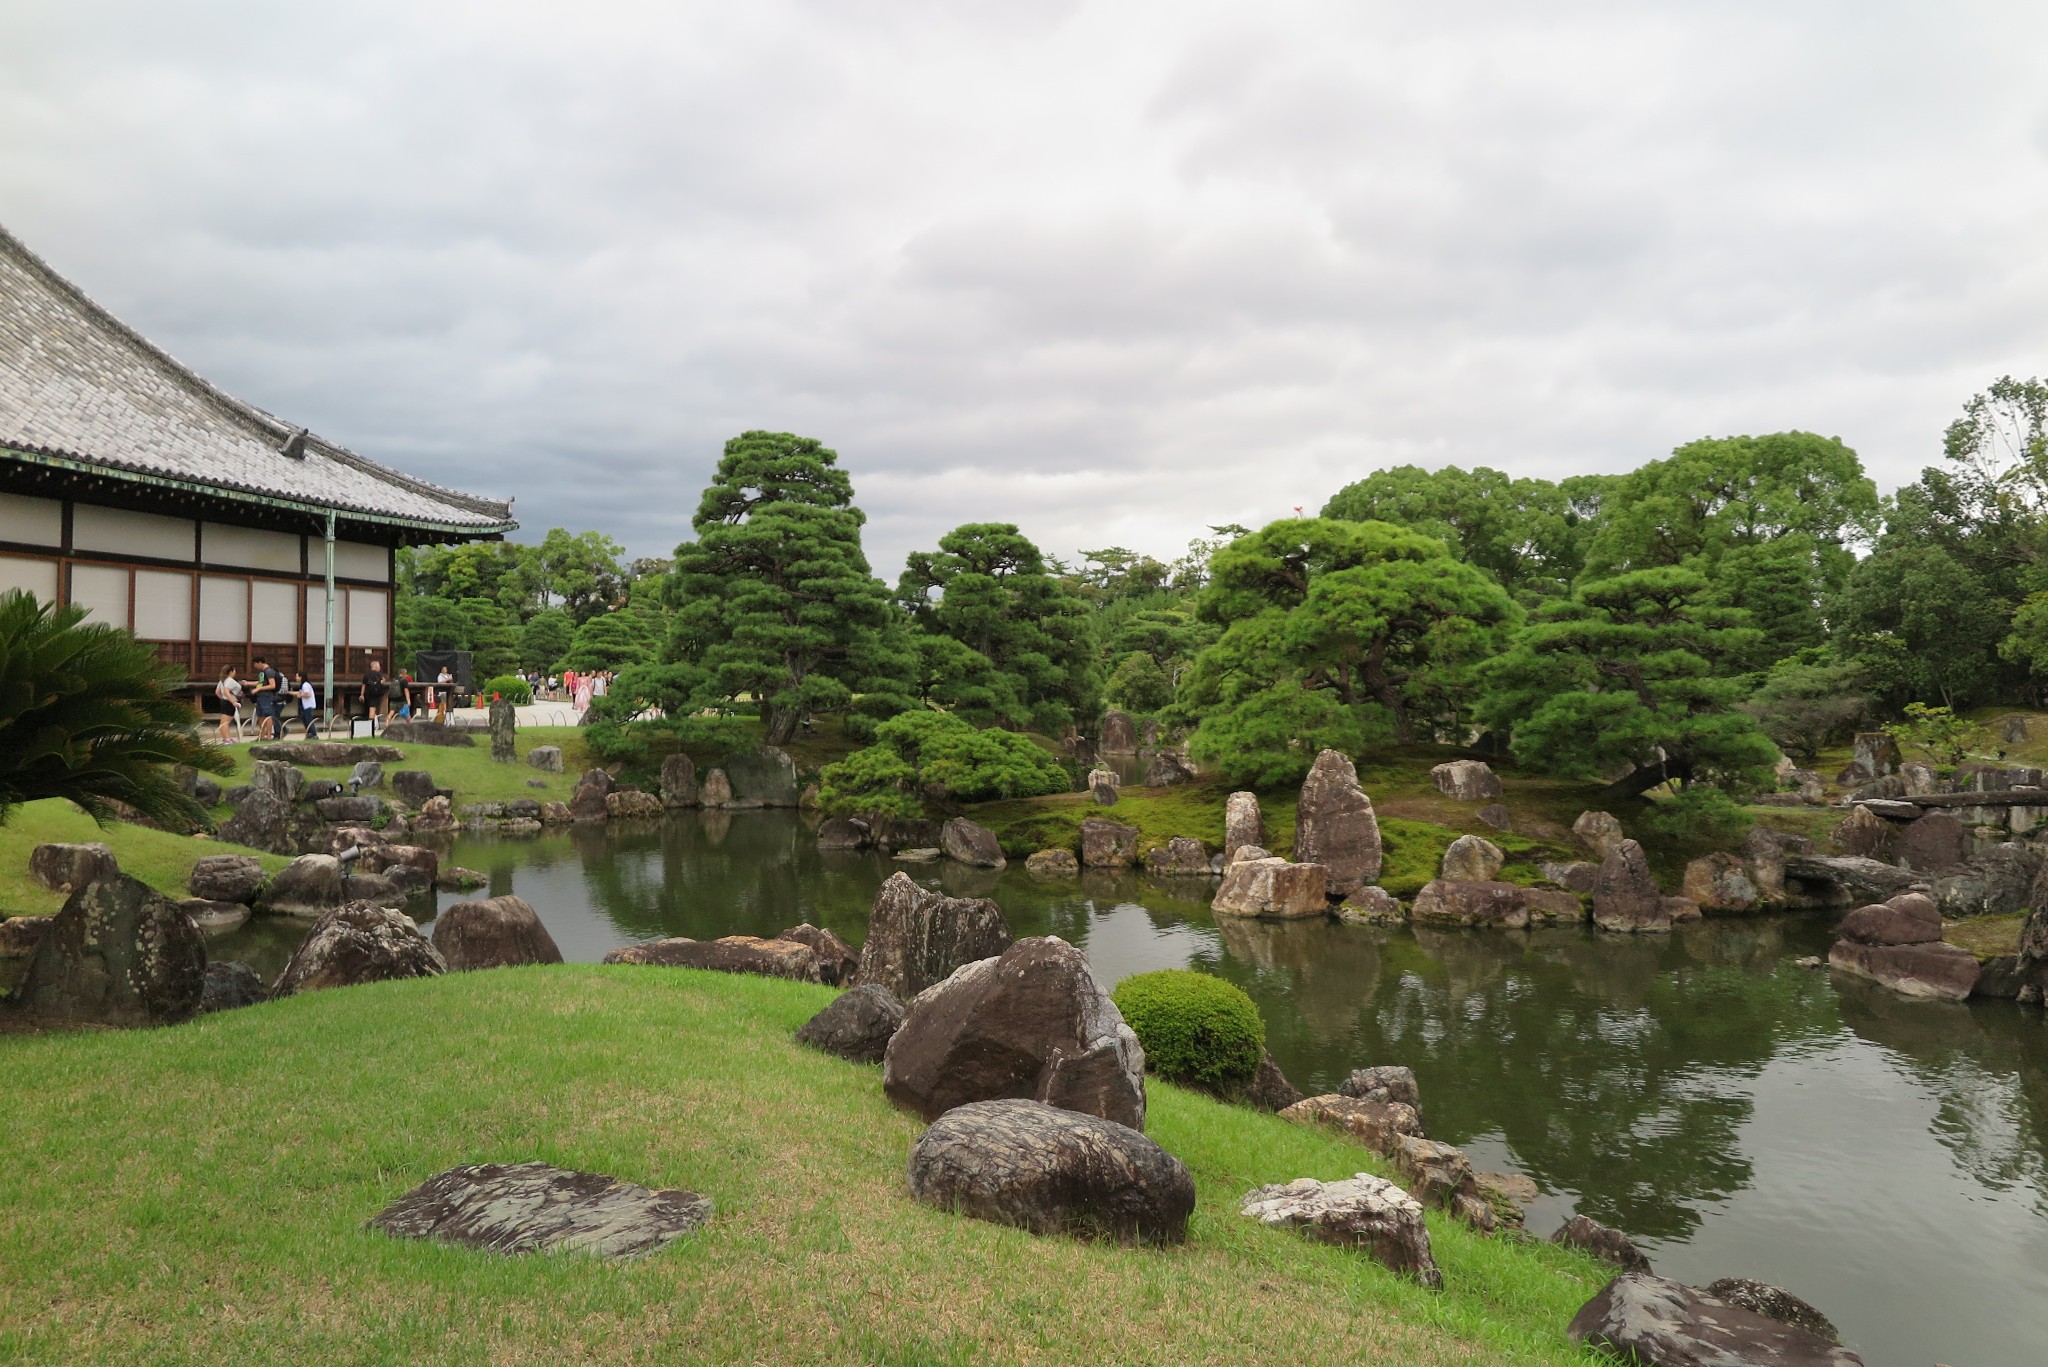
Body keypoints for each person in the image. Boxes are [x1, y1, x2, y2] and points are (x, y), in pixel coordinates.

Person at [250, 654, 283, 740]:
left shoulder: (269, 671)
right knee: (260, 716)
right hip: (260, 696)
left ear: (260, 662)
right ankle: (261, 736)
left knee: (268, 716)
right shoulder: (262, 672)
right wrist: (248, 683)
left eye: (255, 664)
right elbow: (260, 683)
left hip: (267, 696)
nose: (255, 666)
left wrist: (258, 689)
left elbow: (272, 685)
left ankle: (268, 736)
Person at [212, 666, 244, 743]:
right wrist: (233, 702)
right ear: (231, 672)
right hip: (229, 702)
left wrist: (222, 698)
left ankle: (226, 737)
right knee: (226, 722)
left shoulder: (222, 681)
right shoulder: (230, 681)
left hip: (224, 701)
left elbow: (217, 692)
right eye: (234, 671)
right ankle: (227, 738)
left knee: (223, 722)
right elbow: (227, 691)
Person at [361, 657, 388, 726]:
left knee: (370, 708)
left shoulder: (366, 674)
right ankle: (371, 725)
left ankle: (373, 723)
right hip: (375, 694)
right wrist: (382, 681)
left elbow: (363, 684)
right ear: (375, 666)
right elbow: (380, 682)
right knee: (372, 709)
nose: (379, 668)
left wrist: (362, 694)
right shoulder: (378, 674)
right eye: (379, 666)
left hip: (367, 694)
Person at [293, 672, 320, 738]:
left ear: (301, 677)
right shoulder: (303, 685)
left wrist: (300, 695)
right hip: (305, 705)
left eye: (297, 676)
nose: (296, 678)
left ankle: (314, 734)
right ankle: (309, 733)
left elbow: (308, 694)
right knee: (304, 719)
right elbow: (299, 692)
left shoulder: (305, 685)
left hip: (308, 705)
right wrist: (289, 692)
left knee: (309, 720)